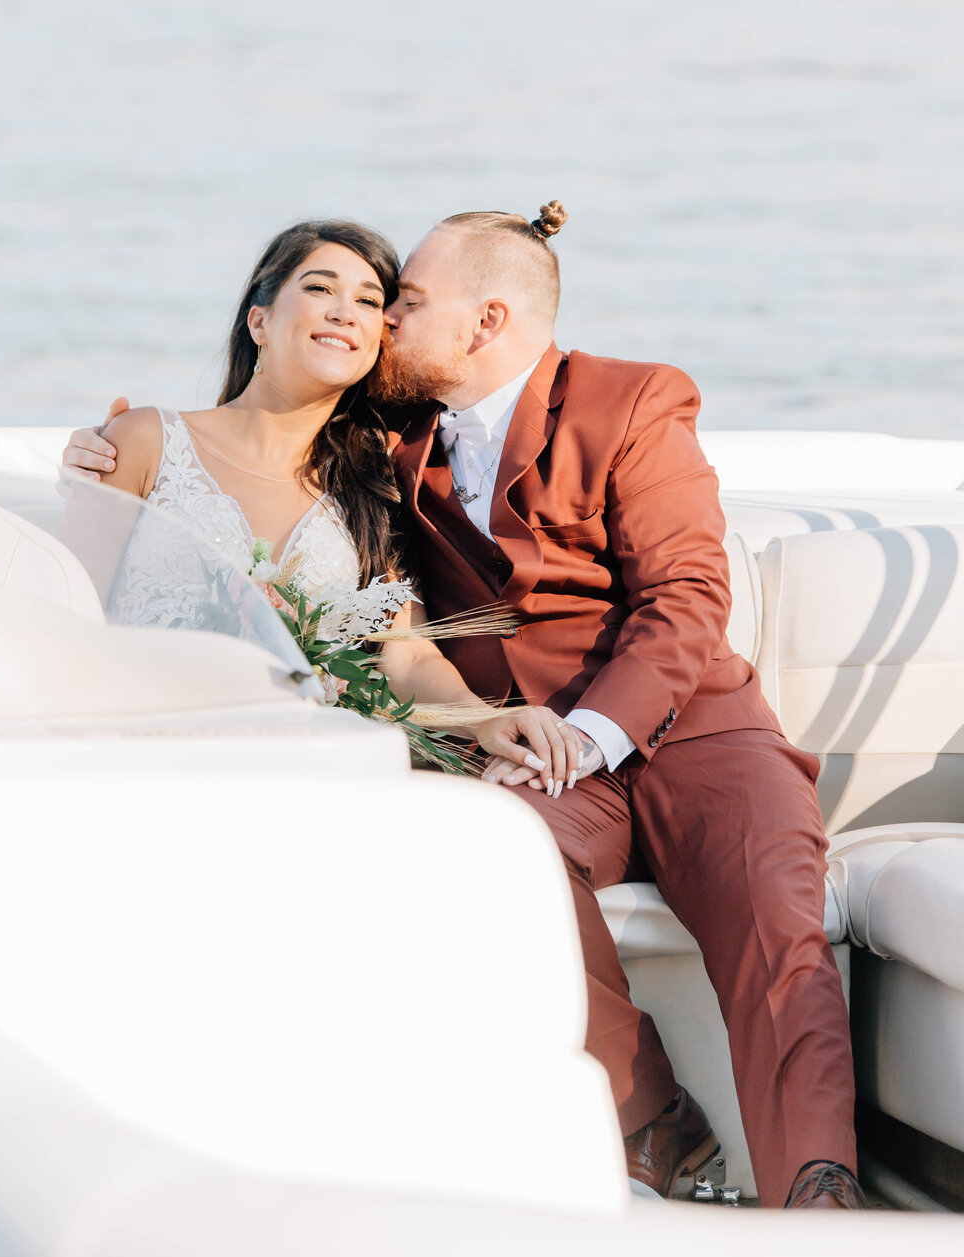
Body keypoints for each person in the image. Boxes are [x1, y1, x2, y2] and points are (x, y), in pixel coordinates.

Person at [63, 204, 864, 1209]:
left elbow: (686, 598)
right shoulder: (384, 448)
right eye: (361, 299)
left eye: (400, 301)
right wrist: (100, 456)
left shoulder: (632, 401)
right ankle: (650, 1122)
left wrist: (584, 733)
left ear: (485, 324)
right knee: (492, 855)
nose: (380, 324)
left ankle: (821, 1202)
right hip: (533, 756)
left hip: (693, 733)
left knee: (776, 921)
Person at [67, 216, 579, 791]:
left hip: (308, 770)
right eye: (318, 288)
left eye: (368, 300)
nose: (344, 311)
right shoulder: (143, 442)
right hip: (149, 754)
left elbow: (407, 658)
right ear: (258, 320)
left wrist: (485, 717)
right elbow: (72, 612)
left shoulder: (374, 487)